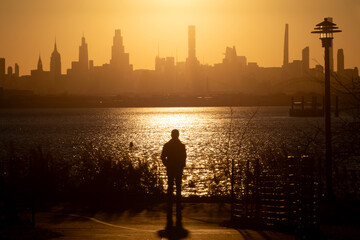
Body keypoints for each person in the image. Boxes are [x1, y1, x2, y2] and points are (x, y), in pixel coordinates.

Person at [161, 129, 187, 229]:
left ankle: (171, 203)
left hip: (172, 168)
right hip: (177, 169)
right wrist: (181, 166)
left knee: (171, 186)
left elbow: (163, 157)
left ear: (172, 135)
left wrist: (167, 164)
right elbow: (184, 157)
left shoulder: (167, 145)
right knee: (177, 186)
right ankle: (177, 203)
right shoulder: (181, 146)